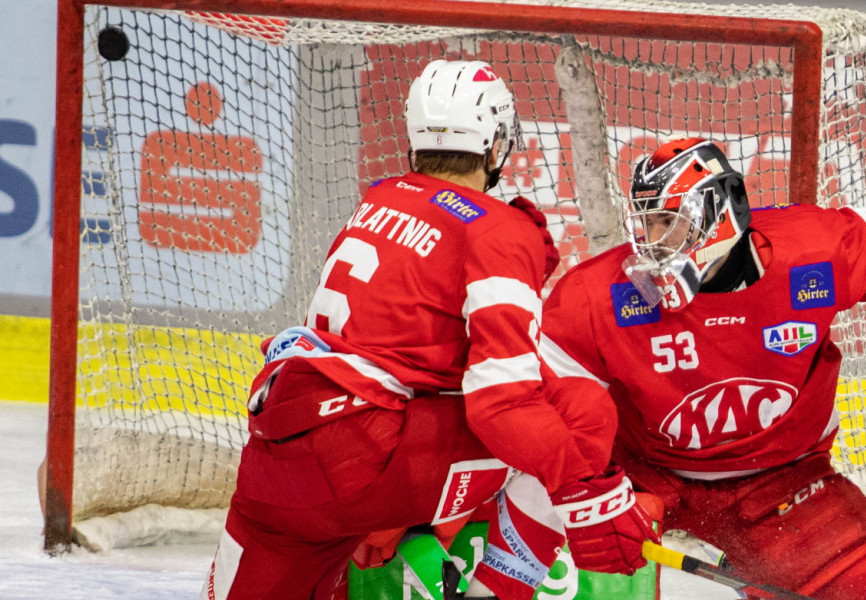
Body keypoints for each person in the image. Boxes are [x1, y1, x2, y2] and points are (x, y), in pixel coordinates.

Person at [206, 60, 652, 600]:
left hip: (275, 462)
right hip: (368, 462)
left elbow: (402, 355)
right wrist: (591, 495)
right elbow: (501, 401)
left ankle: (399, 529)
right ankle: (499, 589)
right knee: (578, 407)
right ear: (494, 148)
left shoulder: (379, 197)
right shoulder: (499, 229)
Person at [507, 138, 866, 599]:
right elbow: (548, 404)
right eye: (647, 223)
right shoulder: (599, 295)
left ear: (720, 213)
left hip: (782, 482)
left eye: (669, 221)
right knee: (559, 524)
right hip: (644, 479)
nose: (652, 241)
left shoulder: (810, 252)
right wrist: (592, 494)